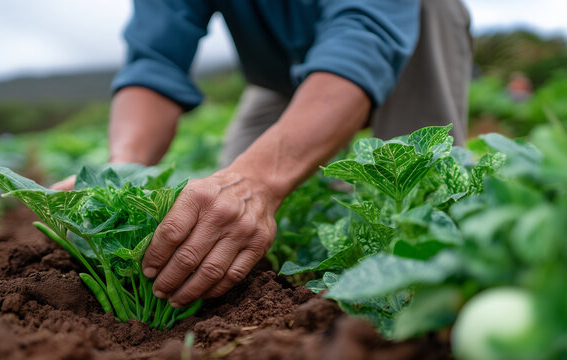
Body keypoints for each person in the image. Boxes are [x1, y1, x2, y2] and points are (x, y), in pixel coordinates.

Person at [53, 0, 472, 309]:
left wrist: (260, 180)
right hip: (281, 77)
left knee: (411, 194)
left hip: (399, 37)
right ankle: (340, 194)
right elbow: (154, 61)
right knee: (224, 221)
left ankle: (432, 257)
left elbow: (364, 41)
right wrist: (120, 169)